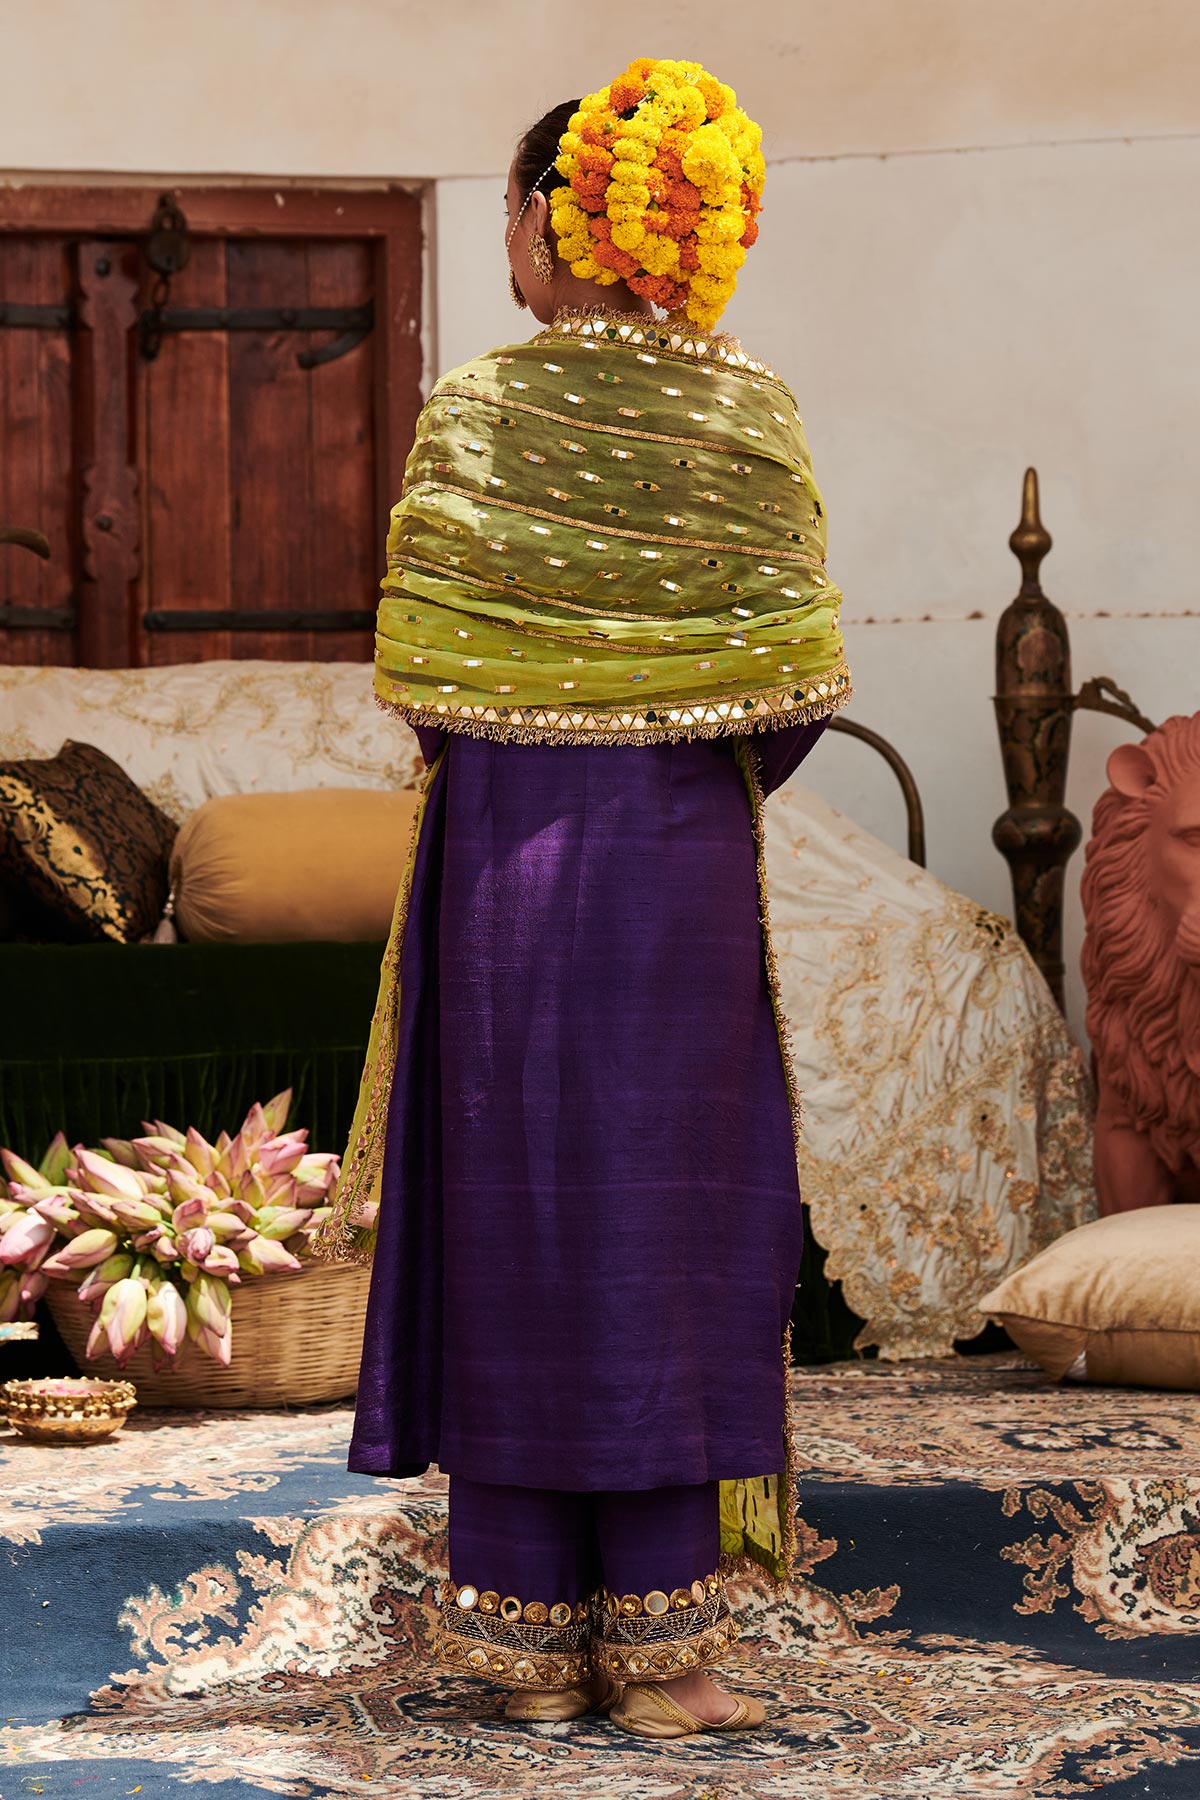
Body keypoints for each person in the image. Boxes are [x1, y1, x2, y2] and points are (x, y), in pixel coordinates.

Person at [312, 56, 850, 1741]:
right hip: (676, 861)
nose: (506, 253)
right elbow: (796, 692)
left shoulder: (476, 411)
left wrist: (540, 735)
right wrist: (668, 752)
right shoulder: (749, 414)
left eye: (510, 219)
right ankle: (669, 1660)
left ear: (560, 225)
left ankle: (531, 1652)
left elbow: (423, 677)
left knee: (521, 1210)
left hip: (500, 860)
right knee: (668, 1218)